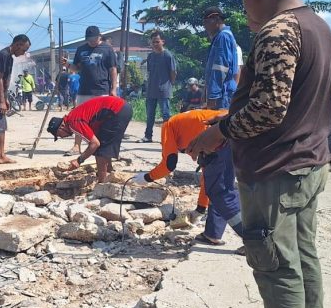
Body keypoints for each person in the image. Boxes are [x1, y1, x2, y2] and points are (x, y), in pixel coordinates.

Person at [188, 0, 331, 308]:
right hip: (308, 164)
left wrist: (220, 131)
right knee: (302, 259)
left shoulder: (278, 31)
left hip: (276, 171)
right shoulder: (318, 26)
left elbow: (269, 106)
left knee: (276, 269)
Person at [132, 109, 244, 248]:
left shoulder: (168, 125)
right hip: (234, 130)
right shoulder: (191, 123)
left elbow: (169, 164)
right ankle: (212, 234)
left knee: (222, 193)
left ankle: (254, 241)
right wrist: (200, 208)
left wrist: (147, 177)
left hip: (222, 138)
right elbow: (207, 180)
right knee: (217, 187)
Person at [61, 26, 118, 155]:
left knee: (102, 120)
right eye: (89, 39)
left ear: (99, 36)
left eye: (94, 39)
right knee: (78, 119)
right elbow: (77, 68)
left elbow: (113, 69)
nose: (91, 42)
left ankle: (101, 146)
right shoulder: (81, 49)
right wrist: (68, 65)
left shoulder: (107, 49)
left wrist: (113, 89)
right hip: (84, 90)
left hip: (102, 89)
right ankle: (77, 146)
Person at [47, 96, 132, 182]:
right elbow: (96, 142)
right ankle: (108, 172)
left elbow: (95, 144)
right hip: (121, 108)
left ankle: (102, 184)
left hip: (117, 110)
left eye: (59, 134)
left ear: (61, 126)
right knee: (103, 146)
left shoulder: (73, 122)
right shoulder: (73, 117)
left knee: (101, 152)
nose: (61, 137)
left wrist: (79, 160)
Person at [0, 34, 31, 168]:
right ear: (18, 44)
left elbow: (6, 80)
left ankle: (1, 156)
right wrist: (1, 101)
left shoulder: (10, 58)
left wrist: (6, 98)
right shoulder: (3, 55)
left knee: (2, 126)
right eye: (23, 50)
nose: (23, 53)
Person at [138, 31, 176, 143]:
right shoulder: (150, 56)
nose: (155, 44)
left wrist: (170, 84)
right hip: (151, 91)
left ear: (162, 42)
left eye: (157, 41)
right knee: (150, 115)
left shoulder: (168, 55)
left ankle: (168, 137)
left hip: (164, 90)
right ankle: (148, 136)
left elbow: (173, 72)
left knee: (166, 115)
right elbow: (150, 72)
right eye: (153, 42)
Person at [202, 6, 239, 110]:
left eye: (206, 22)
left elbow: (220, 67)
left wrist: (213, 95)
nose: (204, 26)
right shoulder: (221, 37)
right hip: (222, 92)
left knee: (219, 124)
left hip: (223, 93)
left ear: (217, 19)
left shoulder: (223, 37)